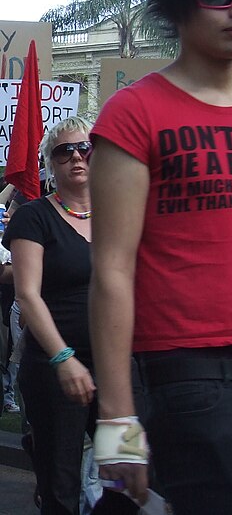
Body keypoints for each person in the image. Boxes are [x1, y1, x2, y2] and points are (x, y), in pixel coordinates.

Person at [88, 0, 232, 515]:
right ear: (180, 2)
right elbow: (112, 271)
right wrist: (117, 423)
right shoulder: (135, 113)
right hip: (194, 380)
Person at [2, 116, 137, 515]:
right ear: (49, 165)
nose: (76, 157)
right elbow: (27, 294)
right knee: (61, 486)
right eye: (64, 152)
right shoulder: (34, 217)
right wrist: (64, 358)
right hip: (54, 368)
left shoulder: (120, 214)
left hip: (117, 368)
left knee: (126, 475)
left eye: (84, 148)